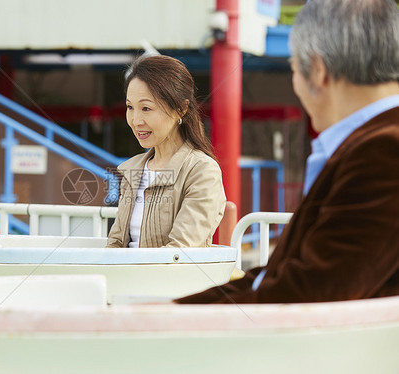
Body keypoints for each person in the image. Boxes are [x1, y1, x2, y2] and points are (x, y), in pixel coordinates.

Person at [175, 0, 399, 304]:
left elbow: (312, 290)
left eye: (293, 69)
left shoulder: (383, 152)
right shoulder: (371, 144)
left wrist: (172, 318)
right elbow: (282, 276)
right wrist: (177, 308)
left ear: (318, 70)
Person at [106, 55, 226, 248]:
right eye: (130, 107)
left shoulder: (202, 171)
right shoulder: (132, 170)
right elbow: (115, 243)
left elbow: (179, 251)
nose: (136, 120)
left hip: (168, 278)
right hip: (126, 276)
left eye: (146, 108)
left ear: (181, 108)